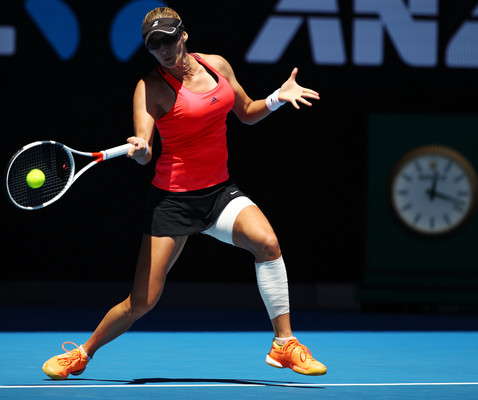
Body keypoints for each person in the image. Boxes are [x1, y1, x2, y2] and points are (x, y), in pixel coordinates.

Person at [42, 6, 326, 379]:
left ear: (184, 35)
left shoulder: (217, 66)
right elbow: (144, 147)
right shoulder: (151, 87)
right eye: (154, 44)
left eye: (169, 39)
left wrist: (276, 97)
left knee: (268, 244)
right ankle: (82, 353)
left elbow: (247, 112)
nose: (164, 49)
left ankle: (284, 344)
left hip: (220, 193)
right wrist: (142, 149)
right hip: (173, 201)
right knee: (141, 303)